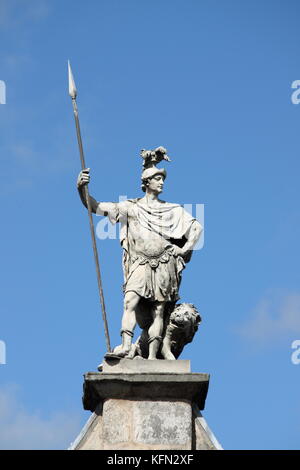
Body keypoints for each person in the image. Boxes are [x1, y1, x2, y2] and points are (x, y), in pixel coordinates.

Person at [77, 147, 202, 359]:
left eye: (162, 179)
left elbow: (197, 228)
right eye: (157, 178)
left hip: (164, 263)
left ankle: (152, 355)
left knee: (159, 312)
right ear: (146, 182)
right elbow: (95, 206)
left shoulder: (172, 209)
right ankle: (126, 345)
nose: (161, 182)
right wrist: (82, 189)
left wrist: (184, 249)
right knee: (130, 302)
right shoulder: (131, 208)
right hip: (140, 263)